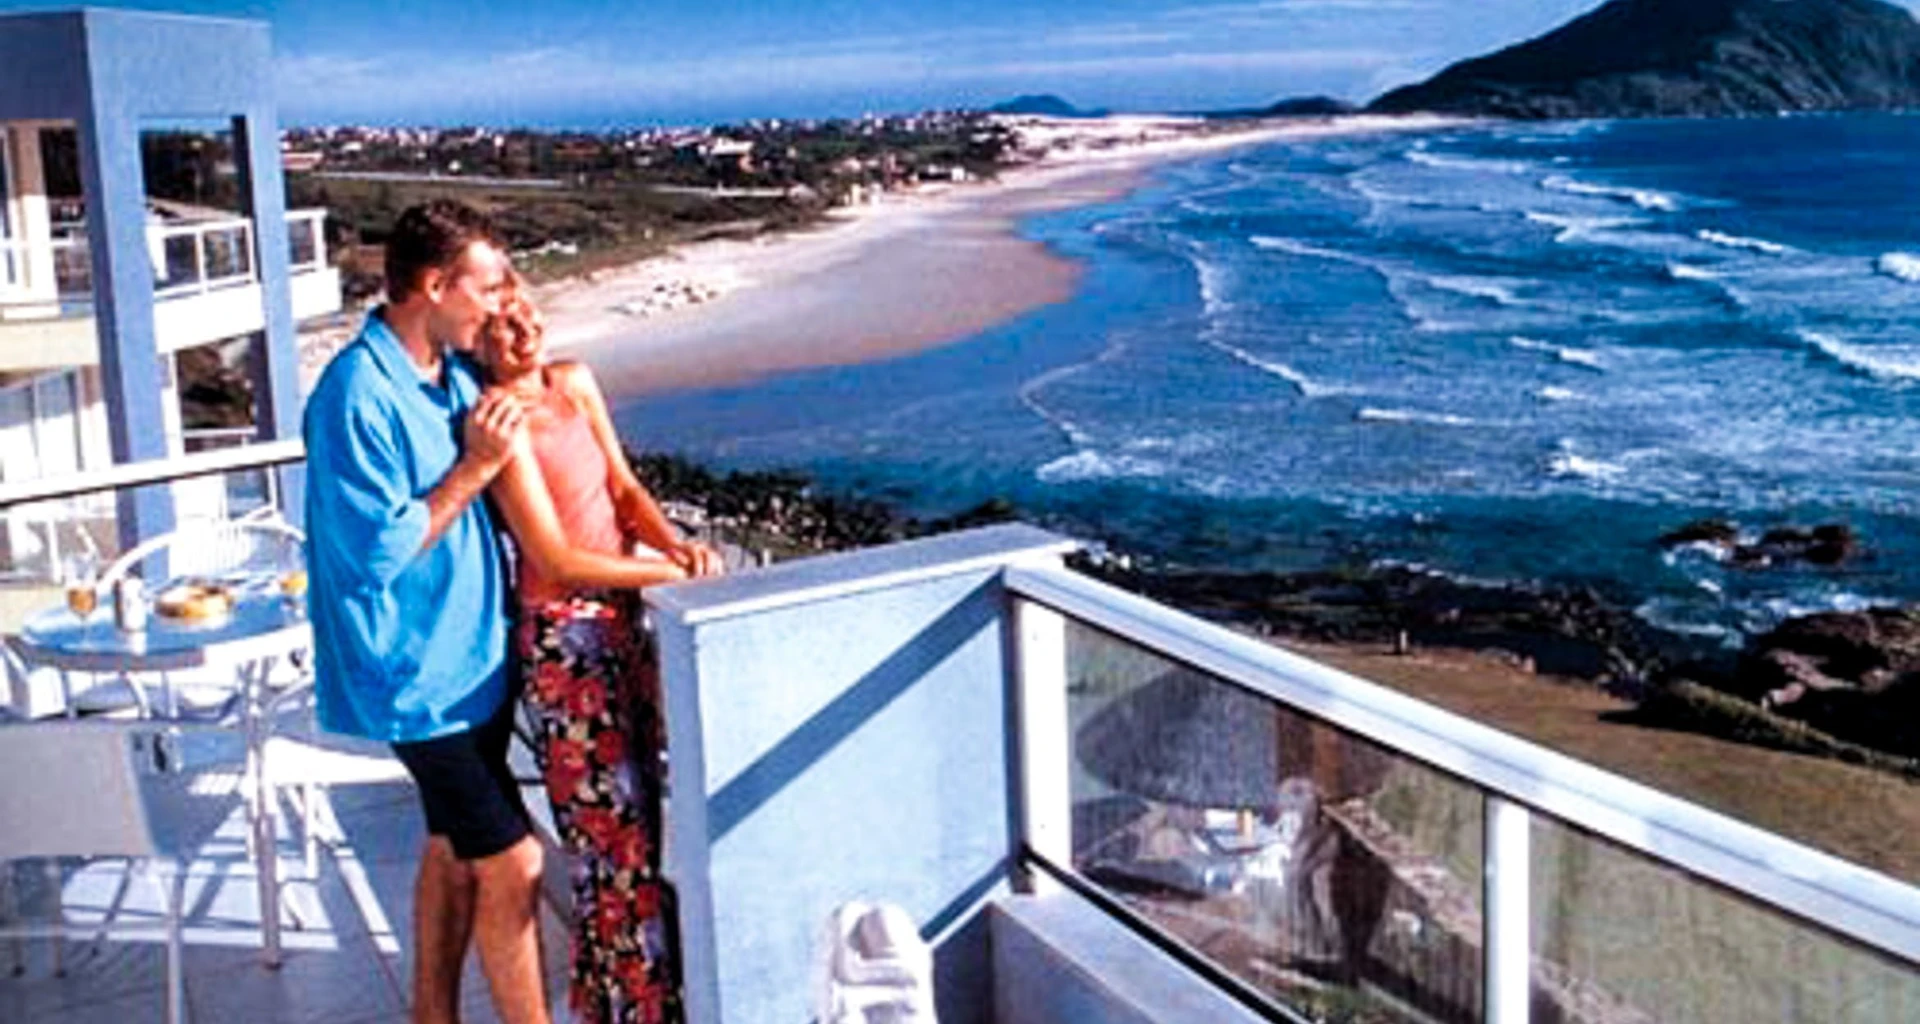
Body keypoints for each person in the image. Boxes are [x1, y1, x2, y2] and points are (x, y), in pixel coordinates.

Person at [304, 200, 548, 1024]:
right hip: (412, 678)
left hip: (476, 658)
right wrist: (476, 466)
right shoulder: (353, 395)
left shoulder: (456, 372)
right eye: (487, 286)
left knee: (451, 846)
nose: (499, 302)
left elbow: (534, 398)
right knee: (513, 862)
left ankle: (429, 1014)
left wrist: (516, 340)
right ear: (436, 285)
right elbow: (376, 553)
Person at [474, 281, 722, 1023]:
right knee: (609, 843)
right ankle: (641, 1008)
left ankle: (617, 1002)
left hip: (621, 623)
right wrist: (668, 573)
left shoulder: (574, 382)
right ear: (476, 344)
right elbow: (553, 559)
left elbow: (624, 489)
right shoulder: (500, 424)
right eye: (501, 325)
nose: (524, 329)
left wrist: (676, 546)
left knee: (642, 827)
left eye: (525, 311)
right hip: (566, 645)